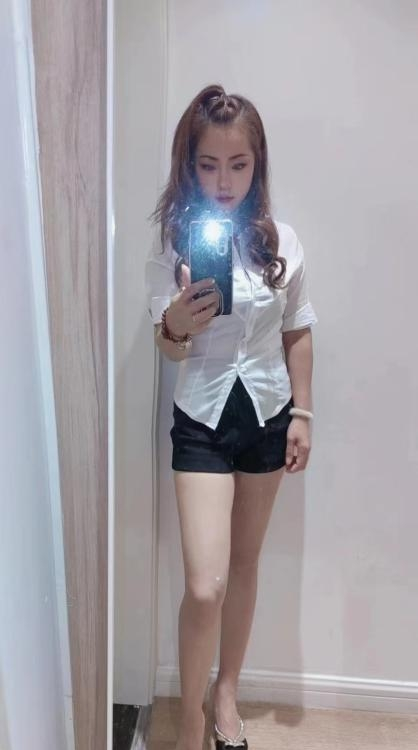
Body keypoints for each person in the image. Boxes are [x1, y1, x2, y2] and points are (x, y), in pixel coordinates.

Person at [145, 84, 318, 750]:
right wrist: (175, 324)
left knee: (245, 565)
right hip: (202, 419)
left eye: (238, 164)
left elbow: (298, 329)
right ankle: (190, 720)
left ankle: (225, 695)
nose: (224, 181)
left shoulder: (284, 241)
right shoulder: (175, 242)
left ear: (257, 165)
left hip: (269, 414)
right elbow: (167, 347)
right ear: (189, 165)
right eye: (209, 164)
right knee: (205, 584)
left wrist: (303, 412)